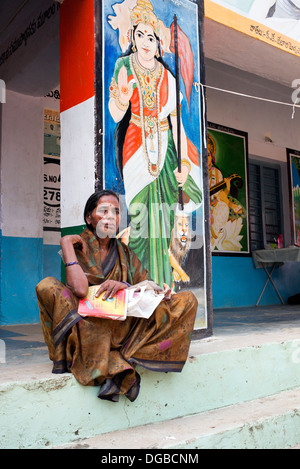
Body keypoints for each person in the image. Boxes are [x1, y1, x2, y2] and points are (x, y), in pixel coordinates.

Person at [36, 190, 198, 402]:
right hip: (88, 324)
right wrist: (66, 244)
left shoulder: (124, 251)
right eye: (104, 210)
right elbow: (80, 290)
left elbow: (145, 285)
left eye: (116, 212)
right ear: (89, 217)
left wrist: (130, 287)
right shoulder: (78, 245)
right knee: (47, 285)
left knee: (187, 301)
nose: (111, 216)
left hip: (122, 323)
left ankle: (124, 353)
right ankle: (106, 356)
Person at [108, 0, 202, 288]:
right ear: (132, 39)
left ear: (158, 43)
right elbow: (114, 113)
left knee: (162, 221)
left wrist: (184, 163)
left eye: (151, 37)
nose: (146, 42)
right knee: (139, 218)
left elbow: (177, 127)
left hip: (166, 150)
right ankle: (136, 283)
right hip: (135, 146)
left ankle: (162, 285)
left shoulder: (168, 77)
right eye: (141, 35)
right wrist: (122, 98)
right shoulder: (124, 65)